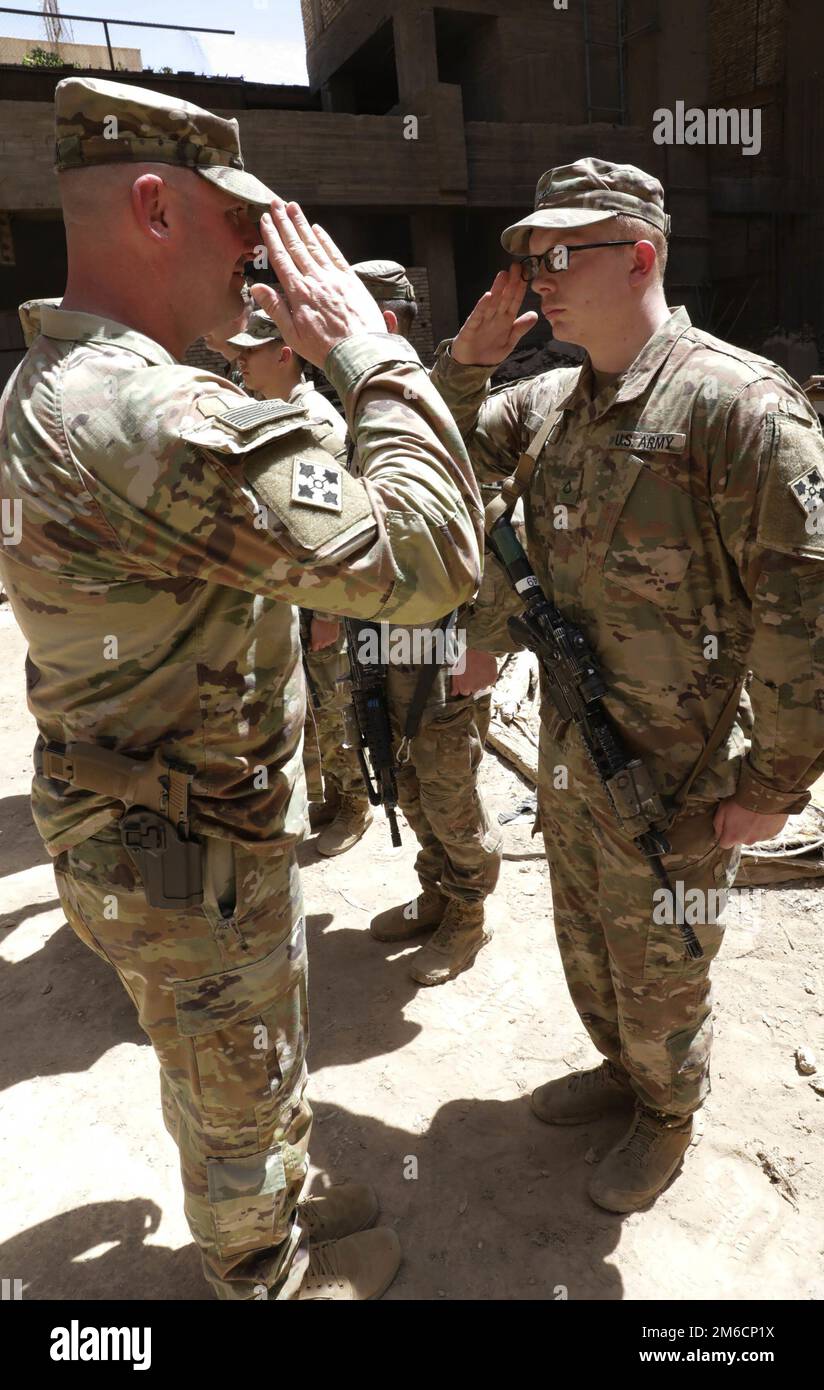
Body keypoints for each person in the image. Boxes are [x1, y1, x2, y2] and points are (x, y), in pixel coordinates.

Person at [0, 75, 482, 1298]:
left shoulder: (59, 378)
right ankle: (258, 1262)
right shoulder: (160, 413)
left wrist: (265, 376)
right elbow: (428, 561)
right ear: (157, 207)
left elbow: (241, 517)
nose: (266, 262)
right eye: (243, 228)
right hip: (190, 851)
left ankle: (272, 1172)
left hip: (136, 820)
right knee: (228, 1069)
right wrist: (367, 353)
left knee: (229, 1054)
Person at [430, 157, 824, 1211]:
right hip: (574, 751)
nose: (536, 276)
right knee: (588, 937)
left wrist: (774, 782)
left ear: (640, 253)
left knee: (663, 961)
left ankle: (667, 1112)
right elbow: (431, 468)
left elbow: (803, 616)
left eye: (561, 254)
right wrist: (462, 366)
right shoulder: (555, 402)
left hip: (680, 775)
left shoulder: (737, 407)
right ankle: (621, 1073)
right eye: (525, 256)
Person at [347, 261, 502, 986]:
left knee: (448, 785)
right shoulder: (372, 408)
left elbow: (496, 534)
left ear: (386, 323)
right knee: (403, 774)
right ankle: (438, 892)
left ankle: (470, 914)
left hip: (445, 639)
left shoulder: (441, 413)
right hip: (387, 635)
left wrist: (483, 640)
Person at [227, 307, 374, 855]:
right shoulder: (275, 411)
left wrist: (331, 611)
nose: (240, 361)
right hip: (297, 589)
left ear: (284, 355)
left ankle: (355, 802)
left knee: (336, 702)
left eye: (251, 352)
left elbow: (337, 526)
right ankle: (334, 794)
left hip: (322, 595)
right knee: (314, 702)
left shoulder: (313, 423)